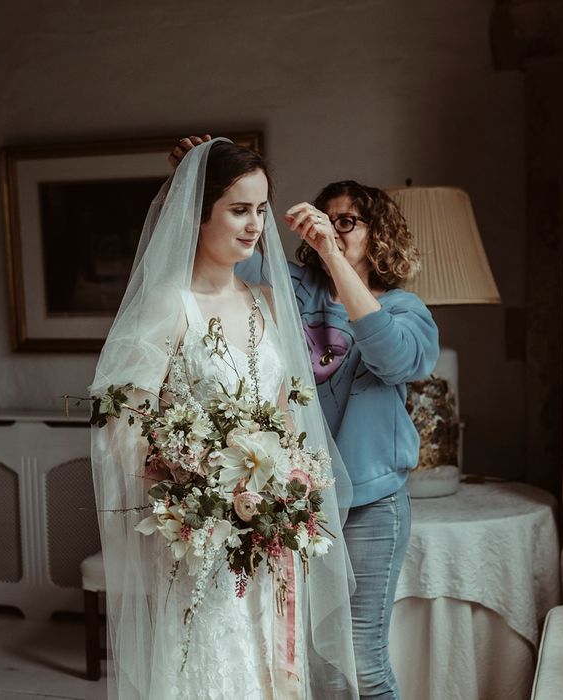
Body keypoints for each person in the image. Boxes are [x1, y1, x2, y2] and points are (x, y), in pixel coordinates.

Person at [90, 139, 360, 699]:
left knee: (267, 666)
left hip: (271, 541)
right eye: (239, 209)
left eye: (261, 210)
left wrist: (291, 485)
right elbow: (121, 425)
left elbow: (286, 415)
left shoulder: (265, 301)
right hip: (204, 543)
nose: (255, 225)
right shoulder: (168, 304)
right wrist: (198, 492)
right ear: (198, 212)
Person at [171, 138, 440, 700]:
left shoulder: (403, 309)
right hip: (302, 505)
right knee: (318, 662)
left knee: (363, 661)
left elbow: (395, 361)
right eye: (326, 219)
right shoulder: (291, 290)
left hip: (371, 506)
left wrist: (335, 257)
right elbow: (228, 243)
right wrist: (200, 178)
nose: (334, 229)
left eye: (349, 221)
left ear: (377, 232)